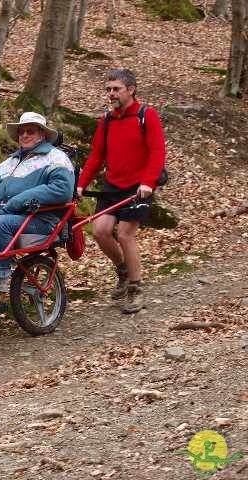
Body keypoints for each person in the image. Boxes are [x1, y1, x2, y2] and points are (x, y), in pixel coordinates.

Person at [0, 112, 75, 311]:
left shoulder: (56, 158)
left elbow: (62, 190)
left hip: (41, 220)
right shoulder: (7, 163)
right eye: (21, 131)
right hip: (4, 217)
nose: (24, 135)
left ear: (42, 134)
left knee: (3, 223)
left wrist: (18, 201)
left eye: (30, 131)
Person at [76, 68, 166, 314]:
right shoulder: (106, 120)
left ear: (131, 89)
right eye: (108, 89)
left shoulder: (147, 116)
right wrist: (82, 183)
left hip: (138, 187)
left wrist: (148, 183)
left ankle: (135, 289)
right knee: (100, 231)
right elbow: (97, 155)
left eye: (116, 89)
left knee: (125, 235)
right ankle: (124, 271)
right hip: (113, 185)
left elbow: (158, 153)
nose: (111, 94)